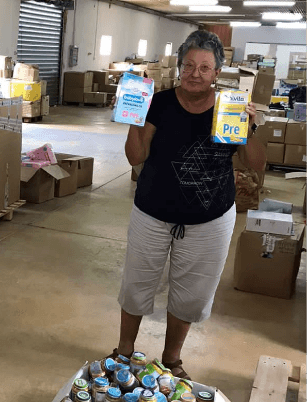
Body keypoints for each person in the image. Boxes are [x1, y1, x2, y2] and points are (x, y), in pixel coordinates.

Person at [108, 30, 266, 380]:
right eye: (189, 65)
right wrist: (132, 122)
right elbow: (136, 157)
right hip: (152, 212)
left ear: (217, 72)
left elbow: (256, 164)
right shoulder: (159, 103)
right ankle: (123, 350)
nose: (196, 73)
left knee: (192, 293)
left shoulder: (231, 108)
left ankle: (171, 357)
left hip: (210, 219)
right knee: (136, 284)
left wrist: (249, 128)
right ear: (180, 68)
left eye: (205, 67)